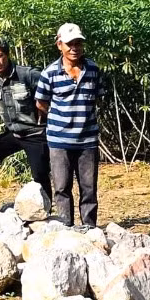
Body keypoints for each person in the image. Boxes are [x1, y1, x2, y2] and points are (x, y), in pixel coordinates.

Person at [35, 23, 104, 228]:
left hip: (87, 139)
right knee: (62, 187)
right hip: (59, 140)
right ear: (59, 45)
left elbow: (98, 97)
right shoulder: (50, 73)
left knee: (89, 188)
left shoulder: (93, 69)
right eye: (70, 44)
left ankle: (89, 228)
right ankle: (65, 227)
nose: (74, 48)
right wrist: (61, 117)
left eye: (78, 44)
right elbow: (41, 103)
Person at [0, 36, 52, 210]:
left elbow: (52, 89)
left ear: (7, 55)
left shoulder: (27, 74)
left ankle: (44, 210)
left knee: (40, 174)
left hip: (36, 133)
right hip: (14, 133)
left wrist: (44, 105)